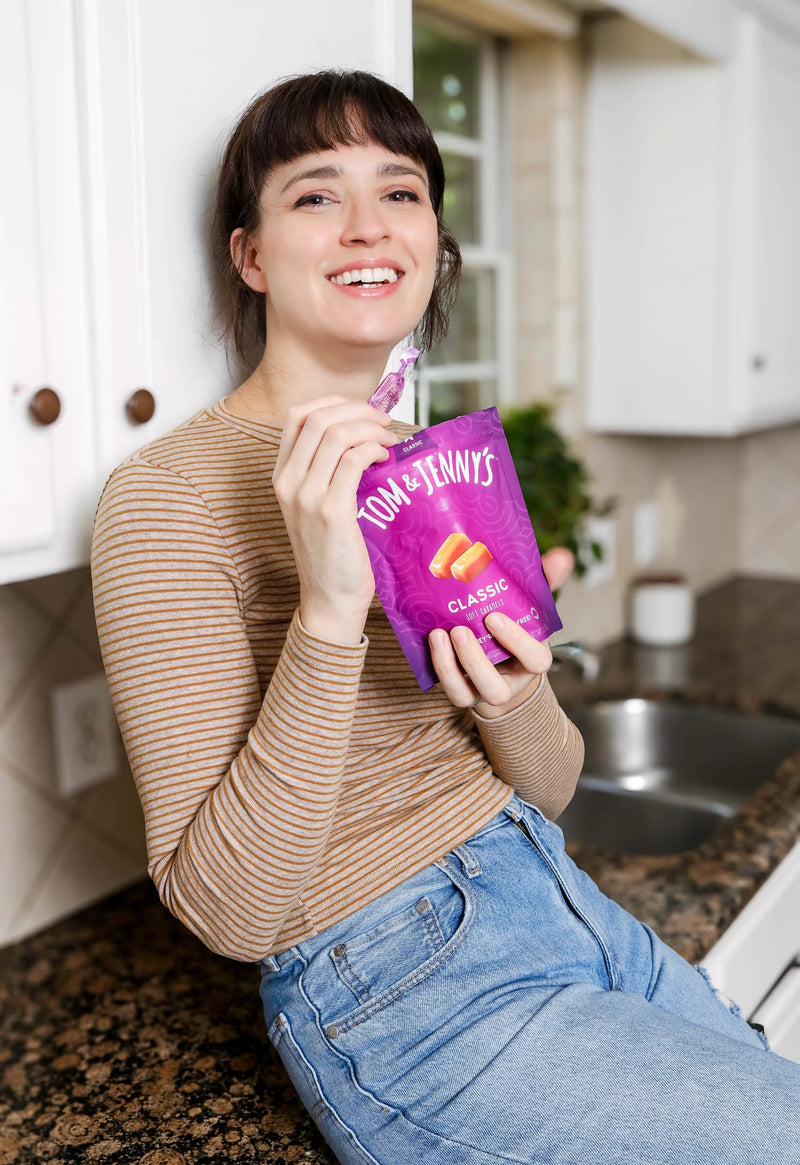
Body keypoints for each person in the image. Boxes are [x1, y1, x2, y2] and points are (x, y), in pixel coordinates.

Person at [91, 70, 800, 1165]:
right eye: (315, 195)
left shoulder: (432, 465)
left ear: (431, 238)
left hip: (557, 895)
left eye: (402, 190)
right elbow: (231, 913)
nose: (368, 224)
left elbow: (551, 784)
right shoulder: (167, 499)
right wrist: (328, 611)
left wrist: (512, 687)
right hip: (401, 987)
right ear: (249, 254)